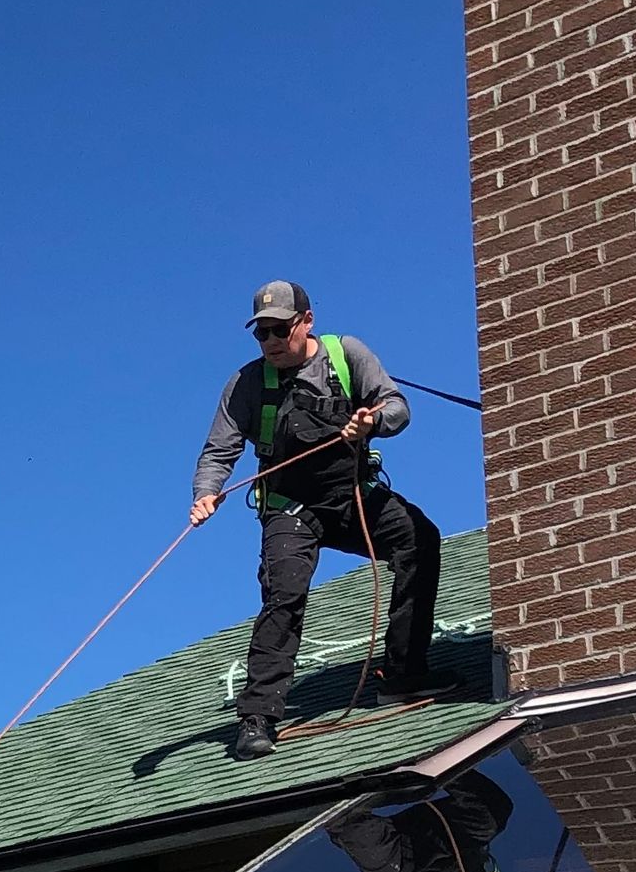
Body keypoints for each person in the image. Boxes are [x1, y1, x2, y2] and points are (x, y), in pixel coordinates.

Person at [190, 279, 451, 760]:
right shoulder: (247, 384)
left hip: (353, 497)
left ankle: (404, 676)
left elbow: (397, 407)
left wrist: (373, 422)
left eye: (280, 329)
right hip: (289, 507)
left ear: (307, 321)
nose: (271, 341)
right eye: (261, 333)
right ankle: (257, 718)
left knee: (419, 539)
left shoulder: (347, 355)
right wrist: (206, 493)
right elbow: (218, 451)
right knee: (284, 593)